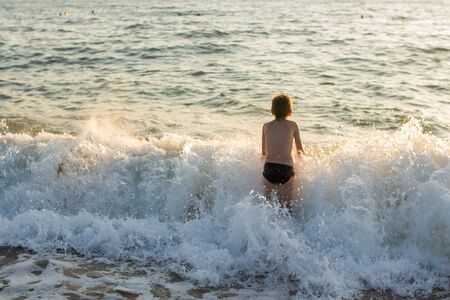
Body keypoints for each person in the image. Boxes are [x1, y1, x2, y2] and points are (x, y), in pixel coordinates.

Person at [261, 93, 304, 211]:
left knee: (267, 205)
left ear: (272, 111)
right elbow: (299, 150)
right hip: (286, 169)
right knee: (286, 207)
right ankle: (288, 227)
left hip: (269, 168)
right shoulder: (293, 125)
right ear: (289, 112)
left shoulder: (266, 126)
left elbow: (264, 152)